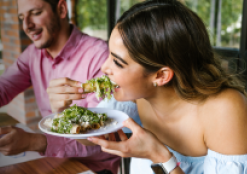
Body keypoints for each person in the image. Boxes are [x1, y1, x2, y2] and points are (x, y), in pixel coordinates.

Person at [54, 0, 247, 173]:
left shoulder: (225, 110)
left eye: (118, 62)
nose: (104, 68)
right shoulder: (135, 94)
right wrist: (62, 112)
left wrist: (161, 157)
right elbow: (91, 137)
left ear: (161, 75)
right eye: (109, 56)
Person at [0, 0, 120, 173]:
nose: (26, 26)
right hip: (53, 159)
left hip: (93, 169)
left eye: (36, 12)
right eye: (22, 18)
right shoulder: (33, 55)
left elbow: (103, 139)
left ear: (62, 9)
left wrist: (34, 142)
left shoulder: (99, 56)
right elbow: (0, 89)